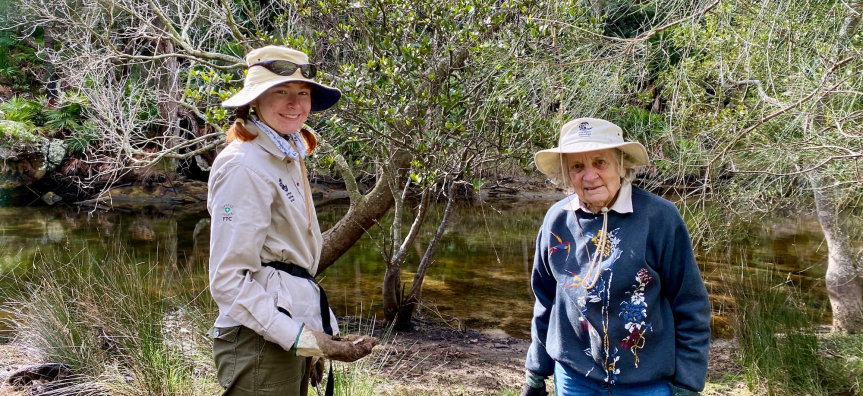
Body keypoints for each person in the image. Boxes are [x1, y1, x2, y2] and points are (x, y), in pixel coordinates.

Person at [207, 45, 377, 396]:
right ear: (254, 99)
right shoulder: (244, 165)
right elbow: (227, 281)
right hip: (258, 344)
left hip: (280, 335)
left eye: (303, 93)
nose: (295, 103)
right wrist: (301, 338)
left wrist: (311, 338)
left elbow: (287, 268)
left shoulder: (285, 153)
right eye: (280, 91)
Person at [521, 118, 711, 396]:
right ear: (567, 173)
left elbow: (690, 305)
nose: (589, 176)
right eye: (577, 166)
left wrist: (688, 383)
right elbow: (546, 300)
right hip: (575, 378)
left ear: (621, 165)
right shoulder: (556, 221)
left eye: (600, 162)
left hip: (648, 382)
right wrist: (536, 371)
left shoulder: (659, 218)